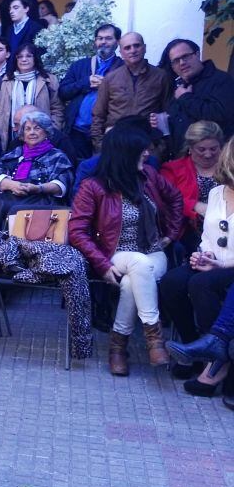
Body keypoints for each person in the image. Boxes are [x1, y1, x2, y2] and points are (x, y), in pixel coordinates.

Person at [69, 127, 182, 376]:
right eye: (142, 149)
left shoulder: (150, 176)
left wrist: (170, 235)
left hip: (153, 253)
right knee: (138, 266)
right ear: (124, 152)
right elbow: (76, 230)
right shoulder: (93, 187)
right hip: (114, 254)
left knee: (134, 280)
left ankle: (117, 348)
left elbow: (176, 199)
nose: (148, 153)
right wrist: (102, 264)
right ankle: (154, 337)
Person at [159, 137, 234, 389]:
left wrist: (219, 266)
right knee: (172, 281)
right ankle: (194, 347)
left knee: (202, 283)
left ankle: (216, 357)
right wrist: (202, 254)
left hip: (229, 268)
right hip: (214, 263)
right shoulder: (216, 193)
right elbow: (209, 235)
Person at [90, 32, 168, 152]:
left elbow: (167, 112)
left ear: (144, 48)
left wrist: (160, 148)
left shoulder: (161, 76)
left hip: (147, 143)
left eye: (137, 45)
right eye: (127, 47)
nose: (133, 50)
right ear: (121, 53)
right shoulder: (111, 78)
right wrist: (100, 146)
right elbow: (98, 114)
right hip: (115, 142)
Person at [0, 110, 73, 218]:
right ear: (23, 134)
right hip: (9, 198)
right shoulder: (15, 153)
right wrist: (12, 185)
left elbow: (61, 185)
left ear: (46, 132)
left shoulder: (57, 156)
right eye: (27, 129)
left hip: (42, 203)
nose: (32, 132)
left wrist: (38, 188)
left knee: (18, 209)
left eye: (37, 128)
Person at [59, 24, 123, 159]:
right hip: (77, 130)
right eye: (100, 38)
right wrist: (85, 82)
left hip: (106, 131)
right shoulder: (80, 65)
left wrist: (107, 86)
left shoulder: (123, 68)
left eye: (108, 38)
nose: (103, 42)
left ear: (117, 43)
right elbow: (63, 92)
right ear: (95, 42)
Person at [160, 39, 234, 152]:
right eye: (176, 61)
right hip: (182, 159)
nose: (182, 63)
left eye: (186, 56)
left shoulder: (222, 80)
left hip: (212, 158)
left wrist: (186, 98)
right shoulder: (179, 86)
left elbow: (218, 114)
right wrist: (163, 122)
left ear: (197, 54)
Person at [0, 44, 62, 149]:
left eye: (28, 56)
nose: (24, 59)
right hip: (8, 136)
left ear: (35, 58)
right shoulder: (3, 80)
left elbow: (57, 109)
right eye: (20, 57)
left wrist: (50, 129)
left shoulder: (49, 80)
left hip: (40, 136)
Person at [160, 120, 223, 245]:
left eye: (213, 149)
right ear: (190, 148)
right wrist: (195, 205)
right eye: (201, 149)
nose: (208, 154)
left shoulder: (229, 167)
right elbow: (165, 200)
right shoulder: (172, 169)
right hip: (188, 232)